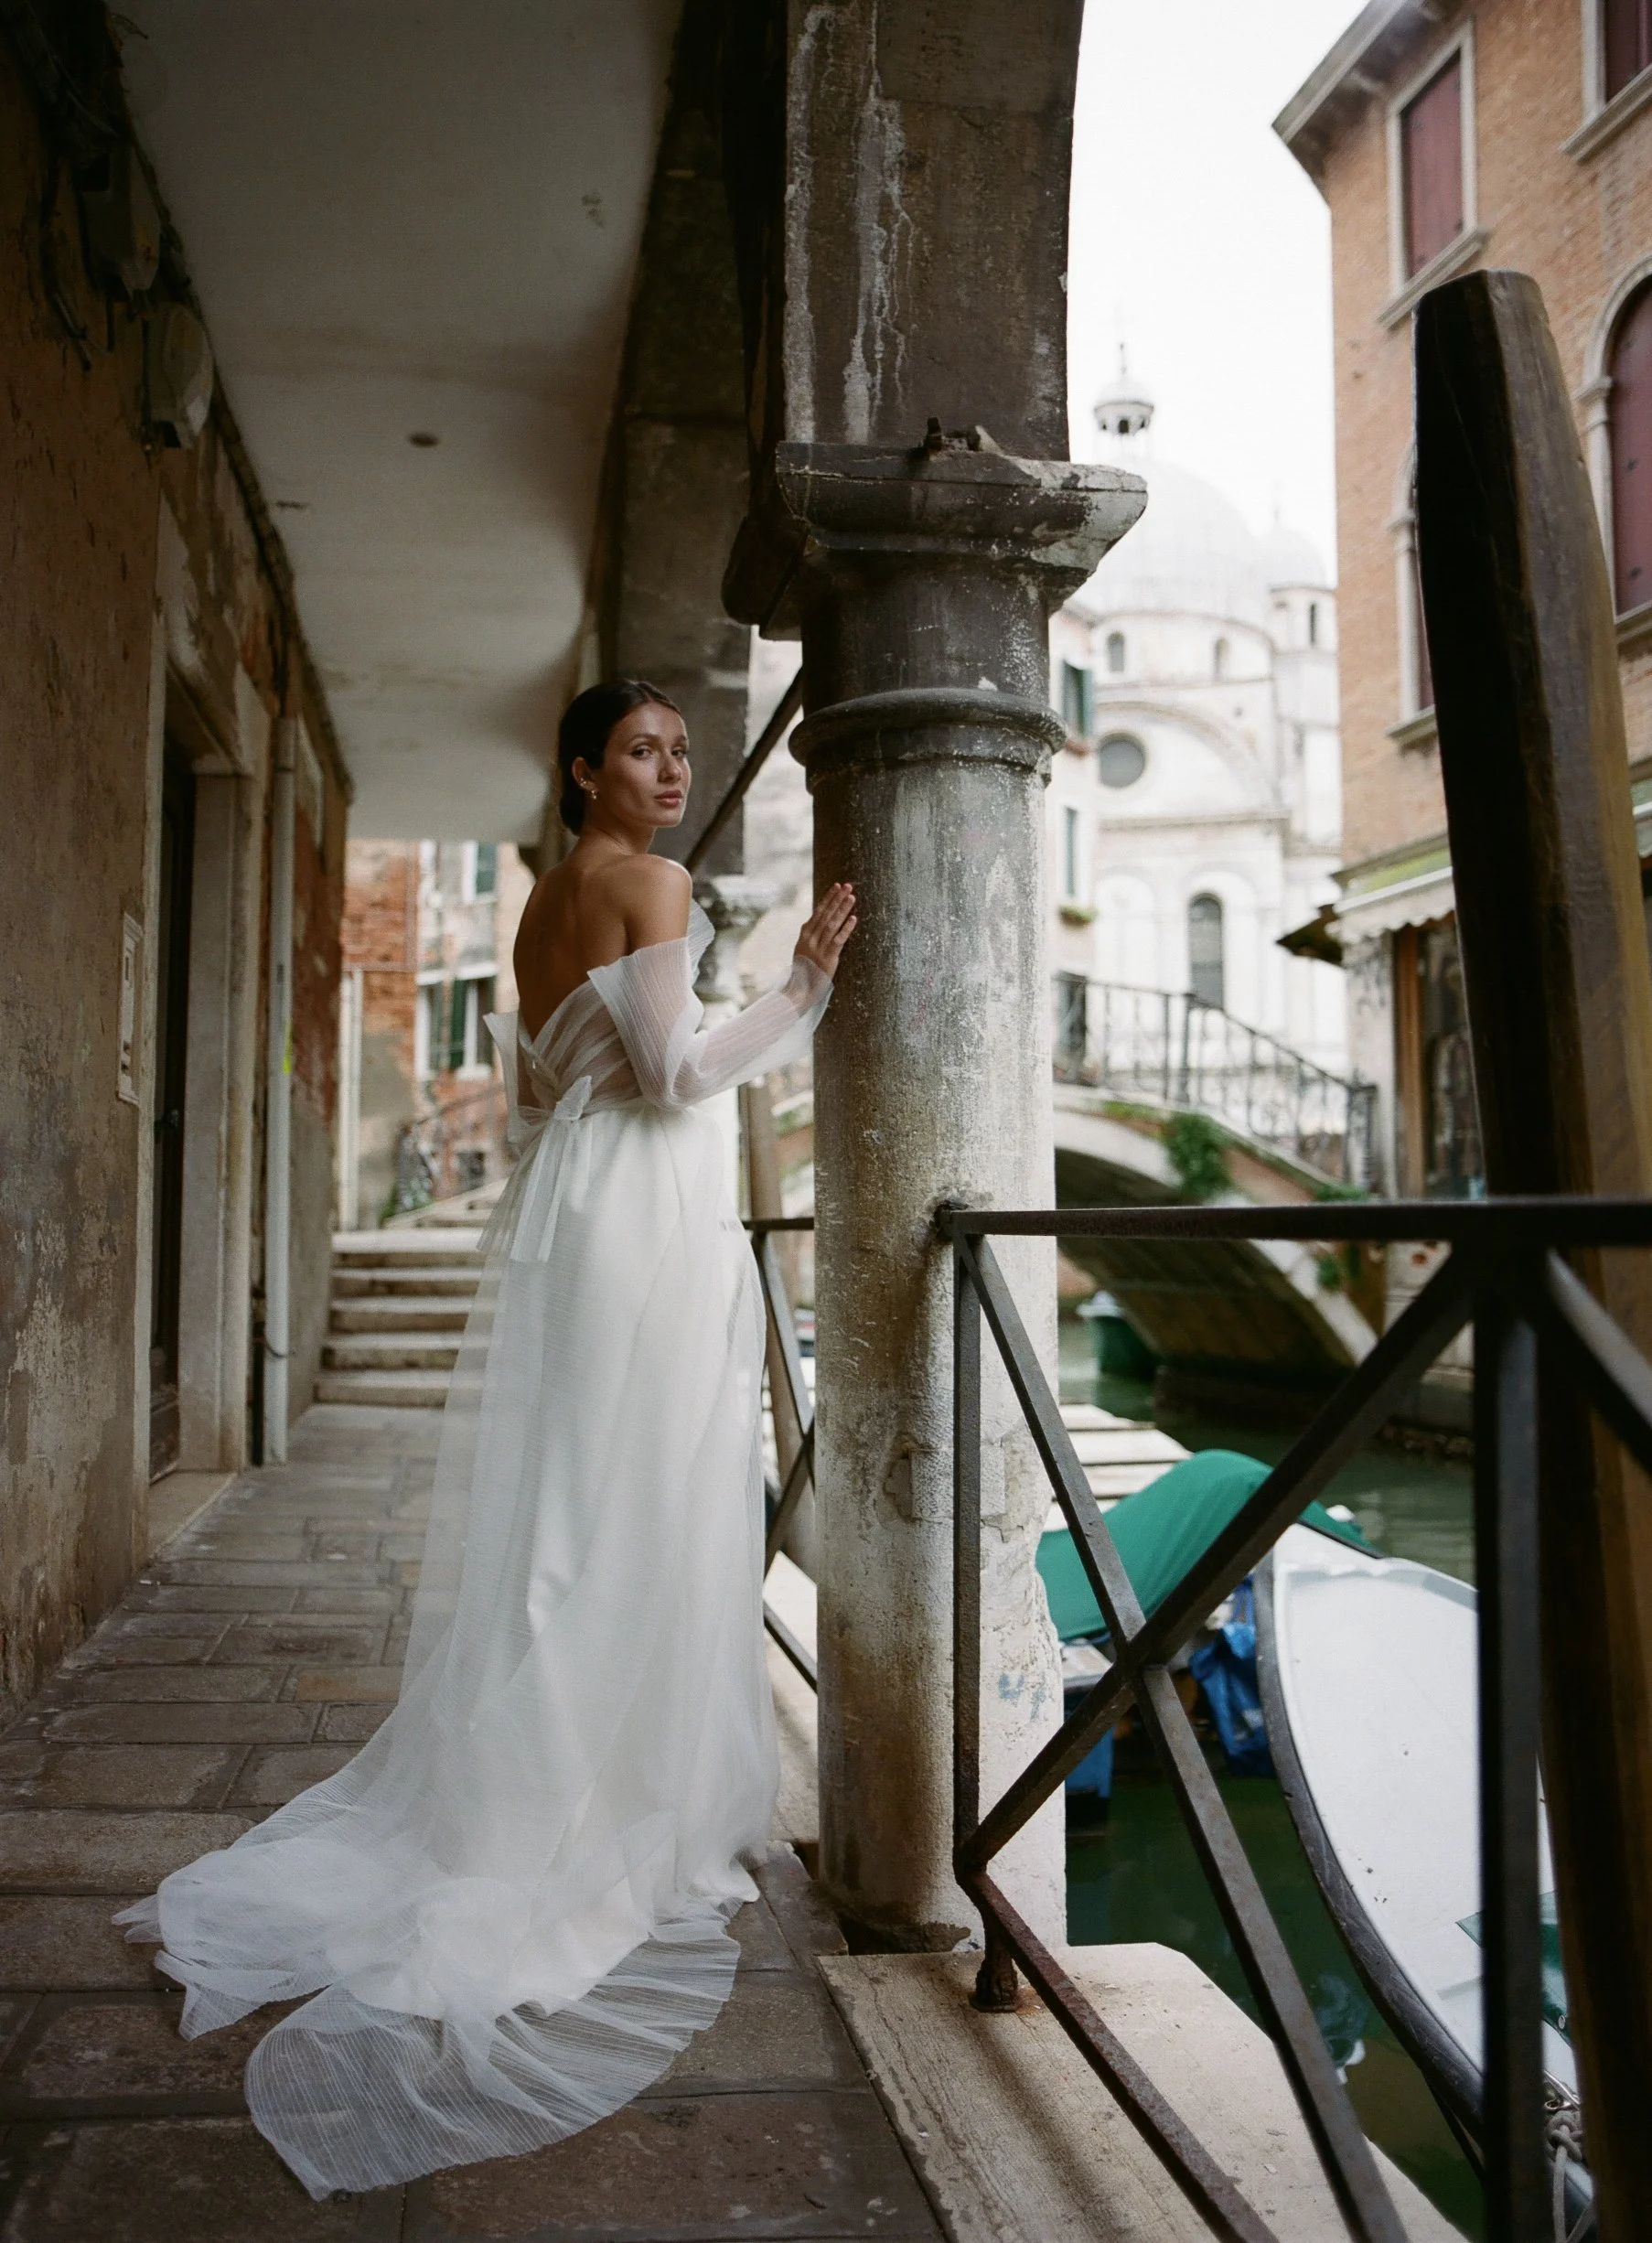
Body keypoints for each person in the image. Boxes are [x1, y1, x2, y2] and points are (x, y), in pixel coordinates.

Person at [117, 679, 856, 2200]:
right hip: (640, 1218)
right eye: (641, 750)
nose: (669, 771)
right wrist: (800, 988)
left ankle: (546, 1776)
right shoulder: (644, 879)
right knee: (628, 1517)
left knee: (576, 1517)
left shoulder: (543, 900)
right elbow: (674, 1074)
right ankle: (574, 1810)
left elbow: (554, 1075)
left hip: (582, 1208)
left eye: (678, 751)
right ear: (584, 766)